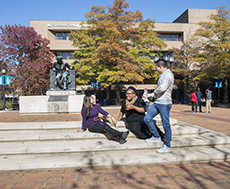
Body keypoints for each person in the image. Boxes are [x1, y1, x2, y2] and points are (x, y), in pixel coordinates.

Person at [144, 57, 174, 153]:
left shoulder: (168, 75)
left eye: (156, 67)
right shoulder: (163, 75)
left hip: (165, 103)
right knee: (147, 118)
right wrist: (152, 95)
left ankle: (167, 145)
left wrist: (151, 94)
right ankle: (156, 136)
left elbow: (162, 88)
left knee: (165, 123)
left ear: (160, 66)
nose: (156, 69)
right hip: (157, 102)